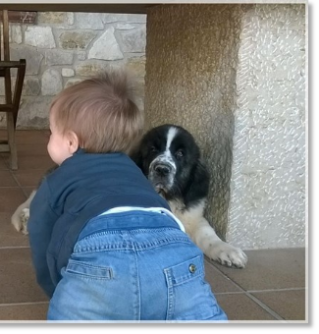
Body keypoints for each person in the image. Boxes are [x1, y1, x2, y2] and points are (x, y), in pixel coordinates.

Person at [27, 70, 228, 321]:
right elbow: (164, 214)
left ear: (70, 142)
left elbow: (42, 235)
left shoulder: (57, 179)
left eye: (50, 132)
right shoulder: (135, 173)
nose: (48, 139)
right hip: (174, 254)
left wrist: (59, 287)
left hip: (101, 258)